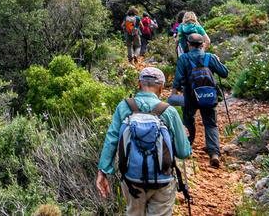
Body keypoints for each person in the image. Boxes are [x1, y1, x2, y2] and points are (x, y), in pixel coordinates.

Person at [96, 67, 192, 215]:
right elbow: (184, 152)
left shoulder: (124, 107)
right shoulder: (169, 111)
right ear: (161, 87)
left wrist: (103, 172)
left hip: (131, 180)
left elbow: (112, 139)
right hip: (162, 180)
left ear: (139, 84)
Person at [172, 33, 229, 167]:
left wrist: (174, 94)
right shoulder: (210, 57)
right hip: (208, 96)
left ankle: (187, 145)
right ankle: (214, 153)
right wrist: (217, 61)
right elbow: (224, 73)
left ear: (188, 44)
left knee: (188, 120)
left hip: (189, 96)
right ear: (203, 45)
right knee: (210, 123)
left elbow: (178, 81)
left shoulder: (183, 58)